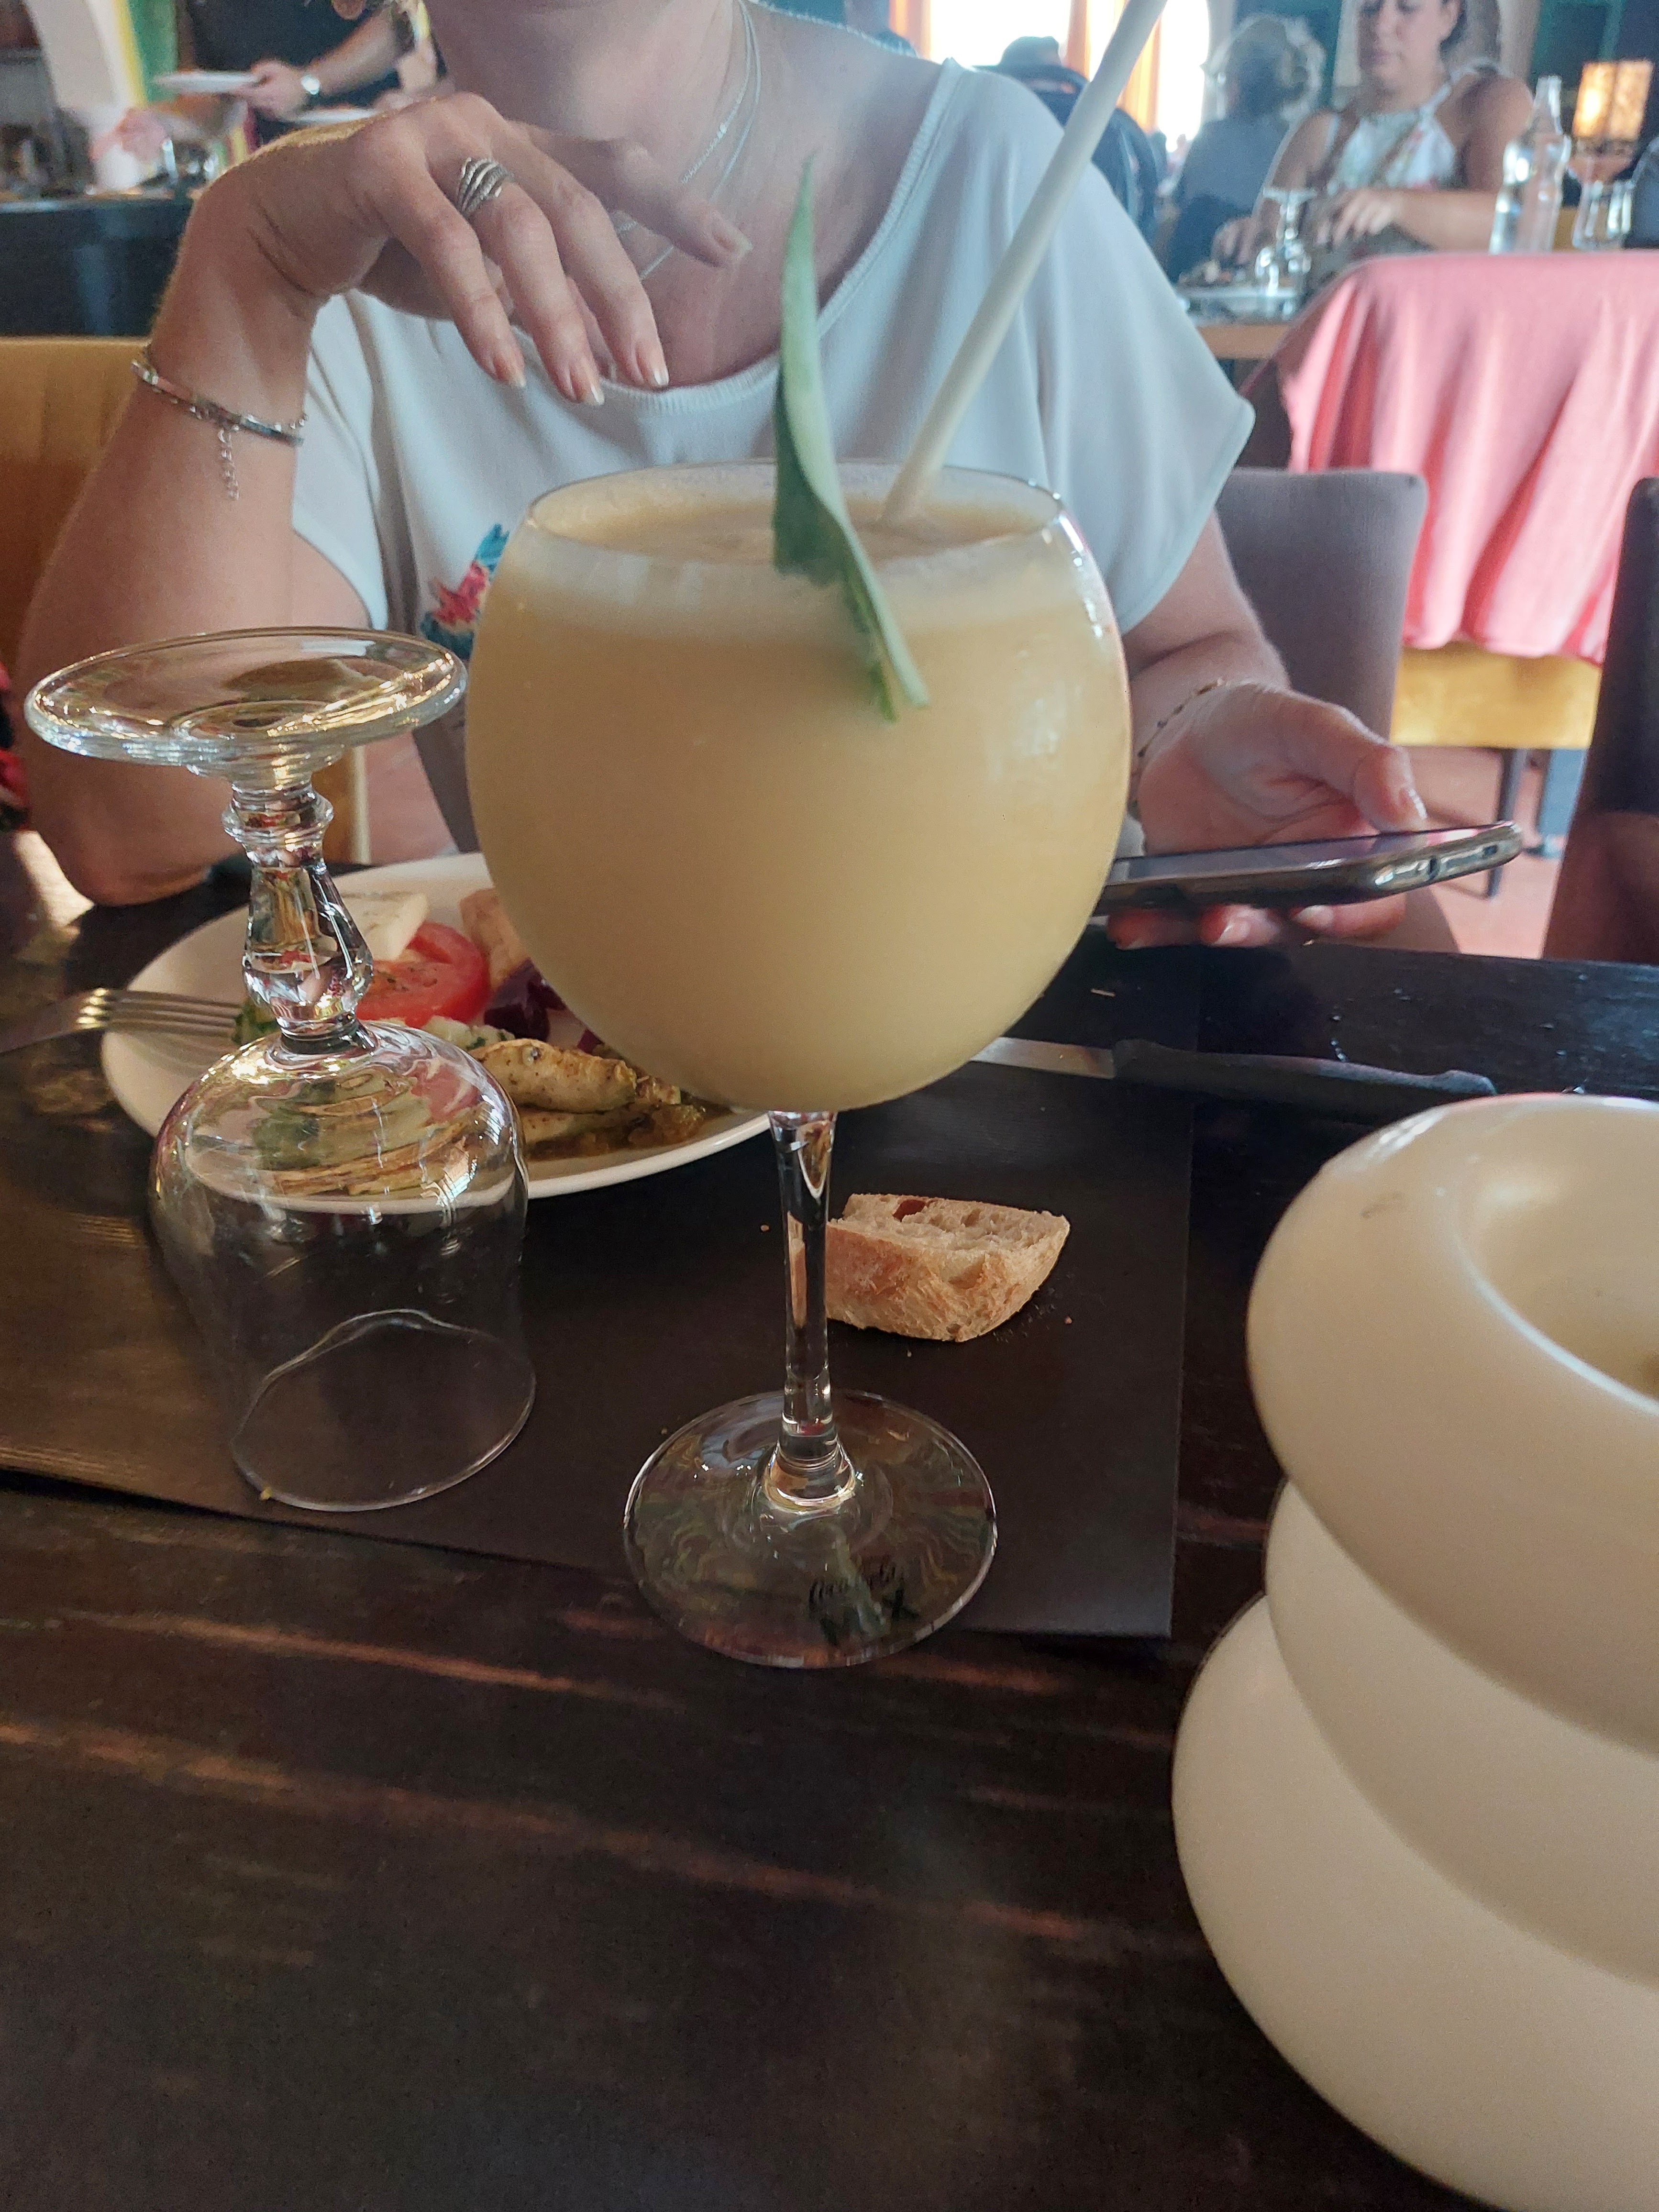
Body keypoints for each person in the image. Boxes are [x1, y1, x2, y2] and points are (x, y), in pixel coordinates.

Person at [18, 0, 1444, 953]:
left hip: (1006, 1062)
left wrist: (1187, 734)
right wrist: (250, 276)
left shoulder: (998, 178)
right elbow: (131, 827)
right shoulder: (338, 251)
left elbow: (1188, 649)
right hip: (602, 1141)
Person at [1215, 0, 1529, 274]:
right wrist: (1246, 240)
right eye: (1369, 7)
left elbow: (1514, 224)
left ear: (1449, 15)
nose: (1380, 25)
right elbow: (1267, 242)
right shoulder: (1319, 132)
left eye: (1406, 7)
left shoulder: (1489, 104)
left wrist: (1396, 204)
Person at [97, 0, 417, 174]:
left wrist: (309, 82)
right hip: (284, 175)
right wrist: (166, 122)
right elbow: (217, 103)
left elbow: (398, 28)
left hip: (376, 155)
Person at [1165, 14, 1320, 279]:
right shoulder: (1302, 143)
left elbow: (1172, 225)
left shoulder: (1210, 139)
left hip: (1193, 284)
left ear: (1234, 83)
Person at [995, 34, 1163, 241]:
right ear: (1022, 77)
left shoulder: (1089, 129)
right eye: (1052, 72)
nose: (1060, 87)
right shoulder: (1093, 127)